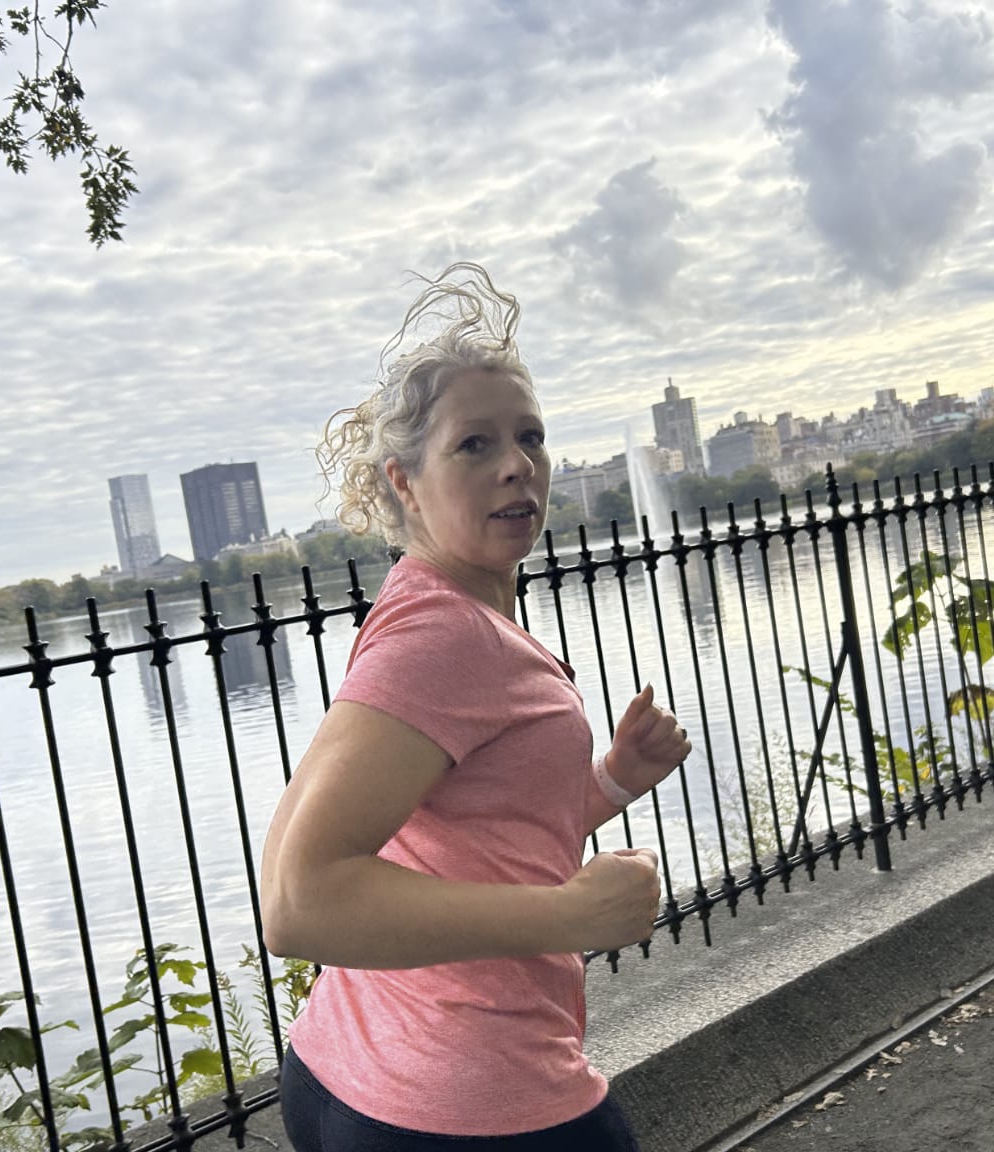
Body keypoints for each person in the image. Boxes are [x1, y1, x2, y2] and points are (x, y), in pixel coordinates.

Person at [260, 263, 690, 1151]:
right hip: (469, 1106)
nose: (516, 465)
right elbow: (299, 900)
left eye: (529, 437)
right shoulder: (445, 638)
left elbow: (476, 836)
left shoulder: (440, 614)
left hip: (358, 1071)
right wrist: (571, 916)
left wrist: (610, 780)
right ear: (404, 482)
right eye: (475, 445)